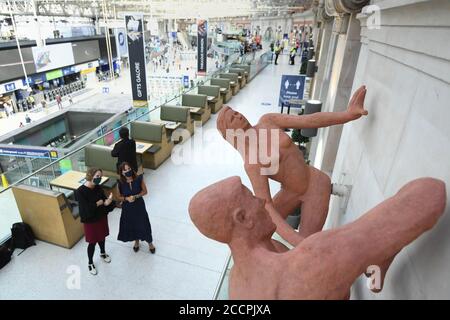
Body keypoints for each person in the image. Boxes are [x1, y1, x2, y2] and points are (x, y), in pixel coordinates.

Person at [188, 176, 446, 299]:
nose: (262, 200)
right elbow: (429, 196)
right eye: (251, 196)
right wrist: (376, 242)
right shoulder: (309, 264)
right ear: (243, 218)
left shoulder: (237, 284)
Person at [216, 86, 369, 246]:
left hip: (315, 185)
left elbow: (309, 120)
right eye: (233, 119)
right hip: (291, 193)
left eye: (236, 112)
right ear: (230, 133)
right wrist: (294, 239)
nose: (238, 116)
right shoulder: (251, 162)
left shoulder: (268, 121)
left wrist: (346, 115)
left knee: (308, 244)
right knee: (260, 227)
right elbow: (266, 204)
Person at [75, 168, 115, 275]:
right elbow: (84, 210)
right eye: (97, 176)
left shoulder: (98, 187)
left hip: (101, 217)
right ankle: (90, 262)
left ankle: (102, 253)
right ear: (90, 175)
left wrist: (108, 201)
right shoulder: (80, 192)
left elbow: (104, 201)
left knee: (102, 237)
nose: (99, 179)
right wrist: (98, 203)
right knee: (92, 243)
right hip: (90, 221)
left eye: (100, 177)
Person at [116, 162, 155, 253]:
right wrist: (126, 198)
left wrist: (135, 196)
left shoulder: (138, 178)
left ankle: (150, 243)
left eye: (129, 169)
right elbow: (118, 196)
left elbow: (145, 192)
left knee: (144, 223)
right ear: (121, 172)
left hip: (139, 206)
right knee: (132, 224)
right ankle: (136, 241)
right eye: (125, 170)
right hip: (127, 208)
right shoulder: (120, 182)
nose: (128, 171)